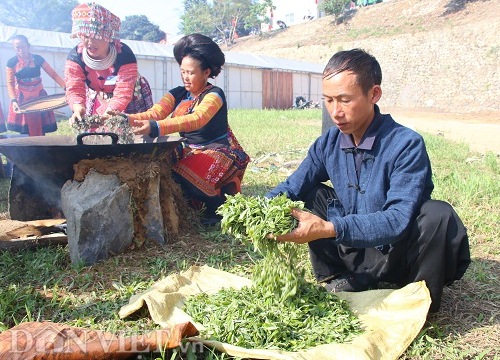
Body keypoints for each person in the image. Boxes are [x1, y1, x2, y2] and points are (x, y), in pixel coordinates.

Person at [266, 49, 470, 313]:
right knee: (312, 193)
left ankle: (416, 300)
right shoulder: (327, 143)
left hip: (397, 255)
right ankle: (338, 278)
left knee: (438, 214)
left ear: (373, 94)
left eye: (344, 100)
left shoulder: (405, 144)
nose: (335, 111)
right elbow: (293, 186)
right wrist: (259, 209)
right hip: (353, 249)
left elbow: (397, 219)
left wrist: (328, 228)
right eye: (328, 100)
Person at [126, 33, 250, 225]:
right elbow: (155, 113)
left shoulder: (215, 94)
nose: (185, 77)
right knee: (156, 165)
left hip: (217, 150)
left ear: (206, 72)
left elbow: (197, 119)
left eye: (190, 72)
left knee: (185, 178)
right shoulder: (177, 93)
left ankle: (218, 207)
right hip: (187, 150)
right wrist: (127, 119)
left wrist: (156, 128)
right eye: (183, 71)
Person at [65, 2, 153, 124]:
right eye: (85, 36)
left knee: (129, 135)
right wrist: (78, 107)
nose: (90, 42)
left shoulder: (124, 54)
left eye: (96, 36)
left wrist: (111, 111)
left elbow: (123, 91)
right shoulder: (76, 56)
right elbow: (74, 87)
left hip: (131, 97)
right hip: (98, 96)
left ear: (108, 36)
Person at [6, 35, 66, 136]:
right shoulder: (11, 62)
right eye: (17, 47)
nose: (21, 50)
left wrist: (67, 88)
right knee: (26, 130)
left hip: (39, 96)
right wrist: (13, 100)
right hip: (22, 98)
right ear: (14, 48)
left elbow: (53, 74)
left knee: (41, 126)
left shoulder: (38, 59)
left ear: (28, 46)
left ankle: (42, 147)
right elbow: (10, 83)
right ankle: (30, 149)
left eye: (23, 46)